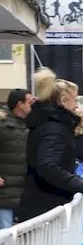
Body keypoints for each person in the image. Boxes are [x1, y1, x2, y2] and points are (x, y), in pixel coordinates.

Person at [18, 69, 83, 222]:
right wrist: (78, 184)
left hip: (43, 204)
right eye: (75, 100)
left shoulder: (47, 124)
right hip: (47, 206)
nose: (76, 105)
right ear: (63, 100)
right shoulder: (54, 128)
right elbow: (48, 165)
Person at [0, 88, 33, 229]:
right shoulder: (2, 124)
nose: (32, 106)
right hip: (4, 192)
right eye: (29, 103)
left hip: (22, 191)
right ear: (20, 104)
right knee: (5, 232)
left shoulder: (28, 124)